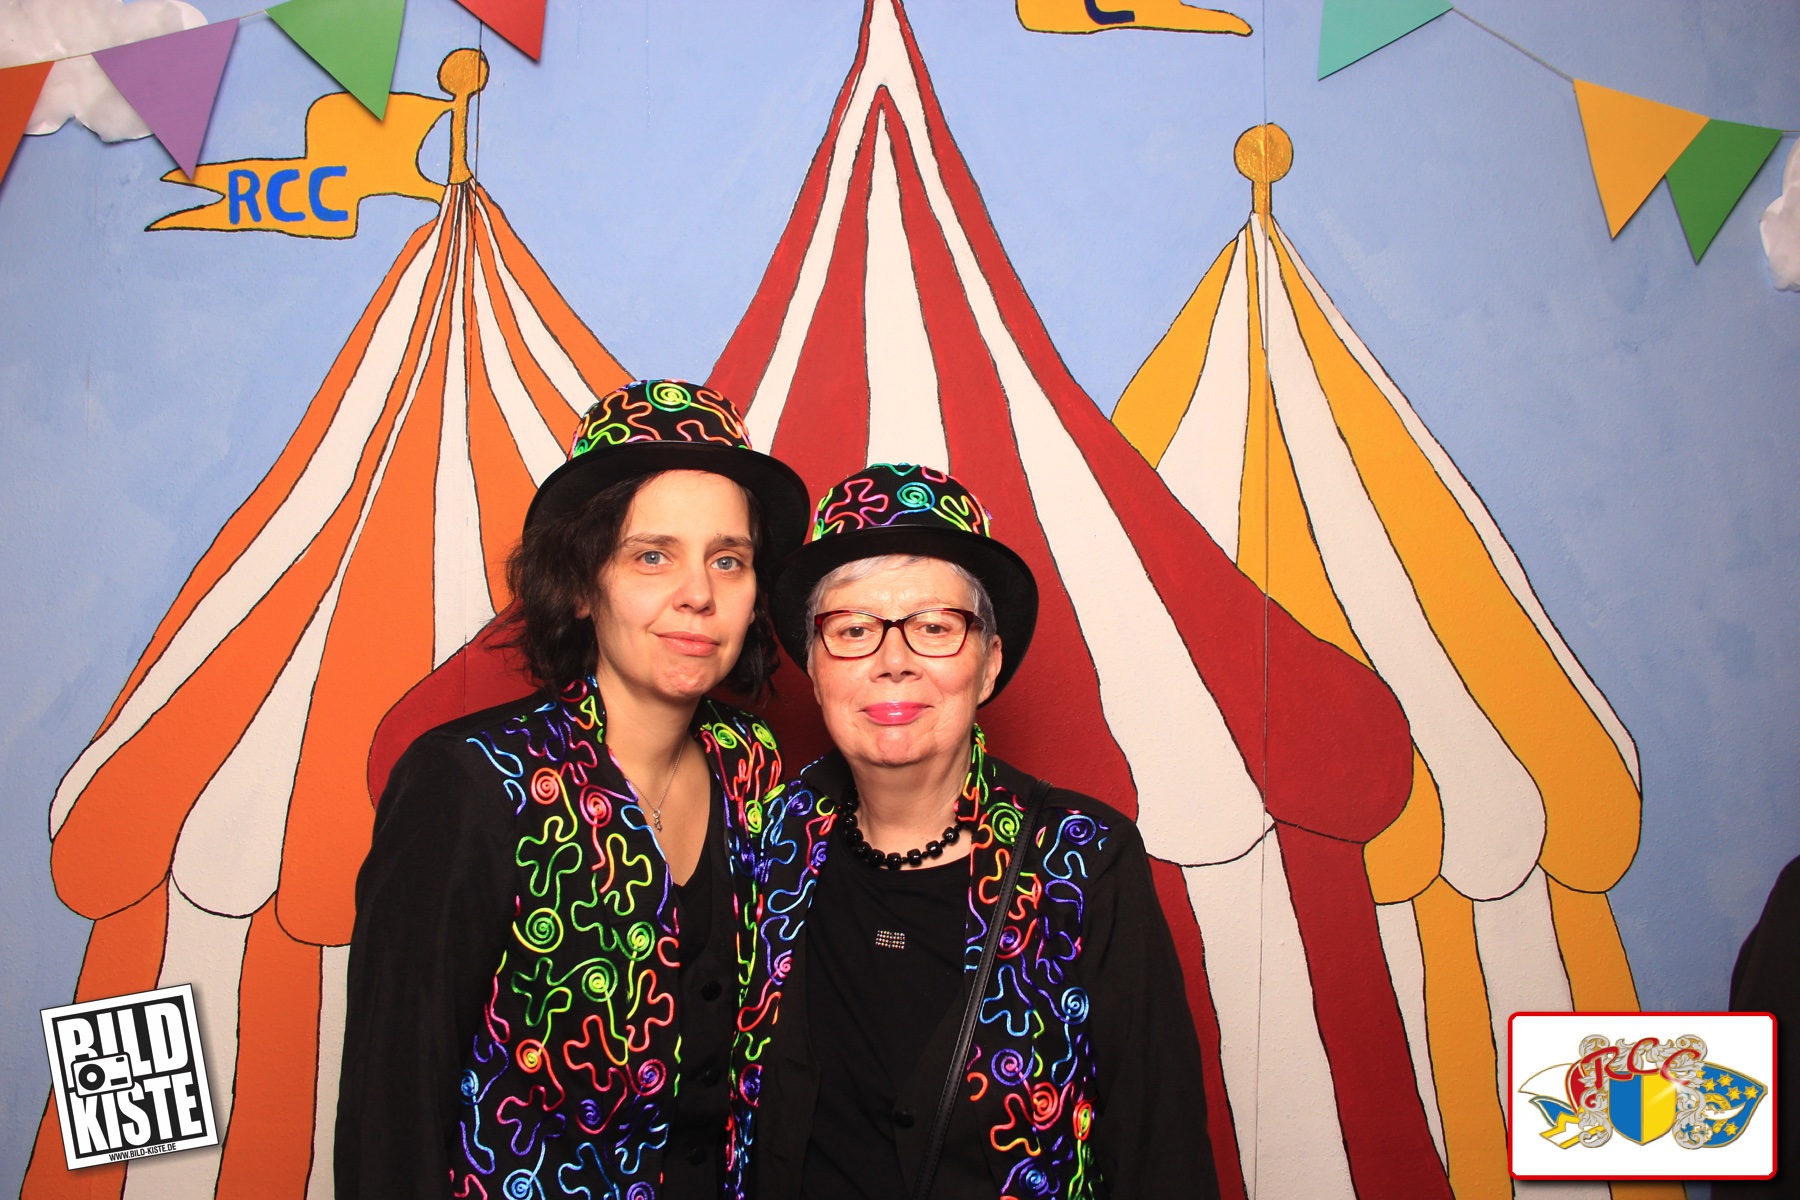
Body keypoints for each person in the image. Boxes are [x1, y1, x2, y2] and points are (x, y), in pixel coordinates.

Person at [336, 380, 808, 1200]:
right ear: (583, 585)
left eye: (727, 559)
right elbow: (392, 1113)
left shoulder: (753, 766)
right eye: (652, 555)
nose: (698, 592)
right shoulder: (471, 783)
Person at [727, 463, 1220, 1199]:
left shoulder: (1083, 860)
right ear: (815, 668)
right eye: (853, 630)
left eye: (934, 628)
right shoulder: (766, 841)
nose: (893, 662)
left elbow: (1161, 1153)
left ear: (988, 664)